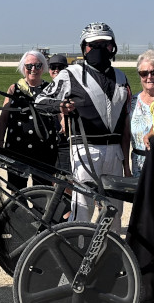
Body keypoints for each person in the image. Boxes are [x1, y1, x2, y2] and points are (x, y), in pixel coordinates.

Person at [35, 22, 131, 228]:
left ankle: (111, 254)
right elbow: (40, 101)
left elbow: (125, 121)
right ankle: (79, 253)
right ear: (84, 47)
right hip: (85, 149)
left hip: (115, 152)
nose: (98, 49)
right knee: (82, 209)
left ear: (113, 47)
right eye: (92, 44)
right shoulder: (70, 74)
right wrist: (60, 106)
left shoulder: (122, 77)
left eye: (104, 44)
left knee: (114, 211)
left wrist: (126, 163)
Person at [0, 50, 58, 190]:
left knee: (43, 189)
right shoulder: (13, 89)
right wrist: (0, 141)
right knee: (17, 190)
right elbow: (4, 118)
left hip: (44, 150)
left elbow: (60, 116)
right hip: (17, 148)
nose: (33, 69)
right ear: (23, 68)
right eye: (29, 66)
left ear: (43, 68)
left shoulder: (50, 89)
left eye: (38, 65)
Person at [128, 50, 154, 177]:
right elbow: (125, 137)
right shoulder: (131, 102)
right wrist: (126, 169)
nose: (149, 77)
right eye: (144, 73)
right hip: (139, 169)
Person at [47, 53, 72, 176]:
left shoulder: (71, 89)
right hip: (49, 143)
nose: (56, 70)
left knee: (66, 180)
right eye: (53, 67)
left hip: (65, 143)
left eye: (60, 67)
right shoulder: (46, 90)